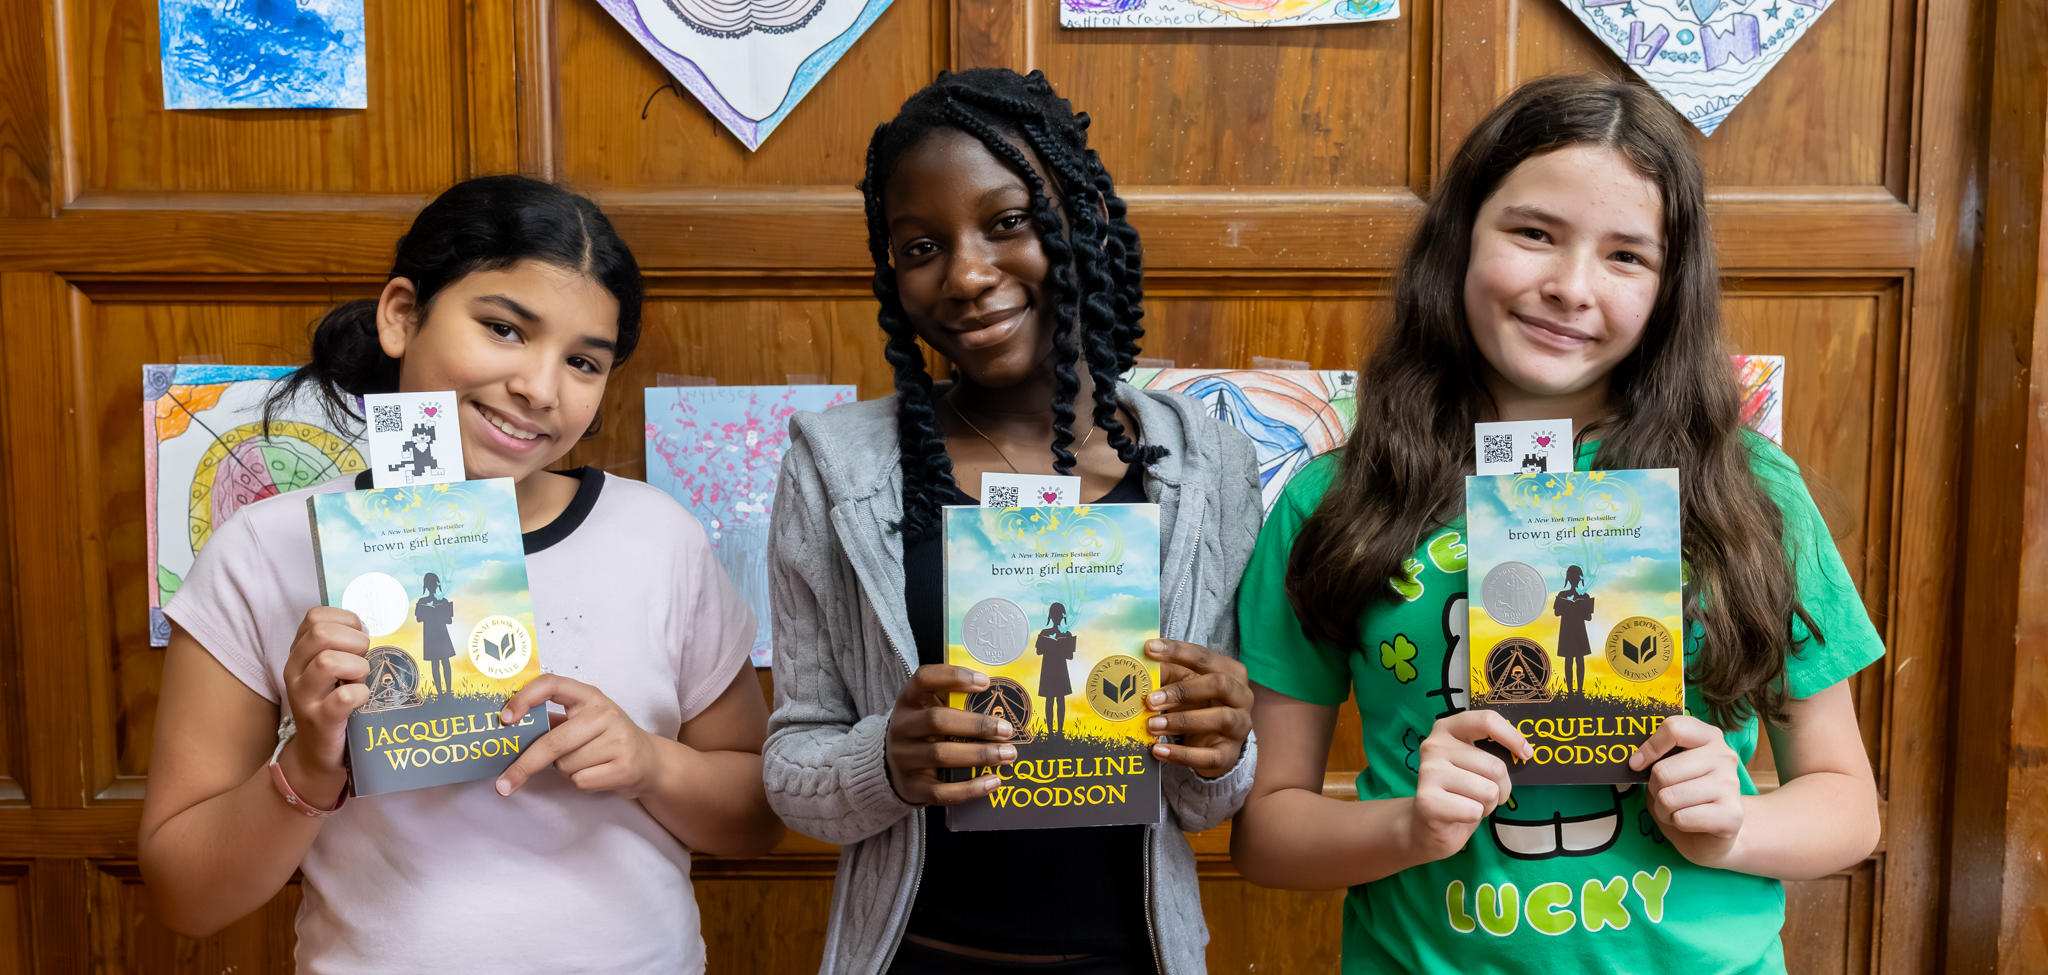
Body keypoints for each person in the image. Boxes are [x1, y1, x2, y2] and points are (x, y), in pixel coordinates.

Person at [1229, 75, 1885, 972]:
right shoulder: (1338, 497)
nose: (1570, 287)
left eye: (1626, 256)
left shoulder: (1748, 489)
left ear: (1670, 287)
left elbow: (1848, 806)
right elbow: (1267, 833)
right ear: (1461, 237)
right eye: (1534, 232)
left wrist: (1734, 826)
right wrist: (1409, 827)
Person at [138, 175, 783, 974]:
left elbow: (758, 817)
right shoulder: (264, 548)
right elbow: (185, 895)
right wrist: (308, 762)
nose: (540, 387)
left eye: (584, 361)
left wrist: (653, 762)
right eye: (505, 329)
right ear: (402, 314)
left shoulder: (658, 537)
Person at [763, 69, 1261, 975]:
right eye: (920, 246)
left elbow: (1204, 801)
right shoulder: (836, 468)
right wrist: (887, 762)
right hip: (916, 957)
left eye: (1007, 222)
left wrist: (1225, 745)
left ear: (1081, 220)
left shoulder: (1208, 466)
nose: (966, 274)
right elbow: (791, 765)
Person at [1036, 602, 1078, 736]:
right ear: (1051, 616)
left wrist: (1061, 647)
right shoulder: (1044, 633)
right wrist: (1050, 646)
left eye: (1059, 615)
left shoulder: (1067, 634)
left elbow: (1070, 656)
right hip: (1049, 670)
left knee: (1060, 699)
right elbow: (1039, 651)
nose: (1057, 618)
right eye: (1055, 615)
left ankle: (1059, 731)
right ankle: (1050, 732)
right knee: (1050, 700)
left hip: (1060, 670)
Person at [1554, 565, 1594, 695]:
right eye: (1572, 578)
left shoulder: (1585, 596)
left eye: (1575, 578)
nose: (1574, 580)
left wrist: (1578, 609)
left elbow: (1588, 617)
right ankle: (1570, 691)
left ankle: (1579, 690)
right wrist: (1568, 606)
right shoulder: (1562, 595)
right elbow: (1557, 612)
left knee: (1579, 660)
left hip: (1578, 631)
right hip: (1567, 631)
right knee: (1569, 660)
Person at [416, 572, 455, 695]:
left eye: (433, 584)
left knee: (445, 661)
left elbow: (449, 620)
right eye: (429, 584)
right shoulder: (422, 601)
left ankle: (448, 691)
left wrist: (439, 613)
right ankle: (440, 693)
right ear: (426, 586)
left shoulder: (443, 601)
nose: (431, 587)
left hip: (442, 635)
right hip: (430, 636)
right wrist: (429, 613)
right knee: (435, 664)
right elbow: (419, 619)